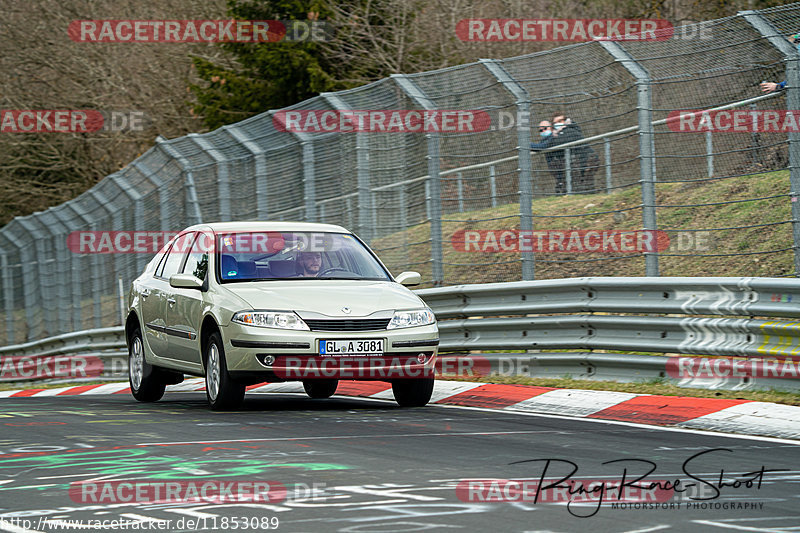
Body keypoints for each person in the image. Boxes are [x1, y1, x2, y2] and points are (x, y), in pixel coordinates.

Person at [550, 113, 600, 194]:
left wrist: (552, 137)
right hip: (578, 161)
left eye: (560, 121)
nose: (557, 124)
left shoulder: (570, 130)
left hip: (586, 160)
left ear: (565, 121)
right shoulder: (559, 133)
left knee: (586, 181)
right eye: (555, 122)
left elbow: (558, 142)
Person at [530, 120, 567, 194]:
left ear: (550, 127)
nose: (543, 130)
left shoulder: (553, 136)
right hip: (553, 166)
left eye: (545, 128)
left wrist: (527, 144)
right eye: (541, 130)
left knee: (563, 181)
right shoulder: (544, 139)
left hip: (560, 164)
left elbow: (541, 147)